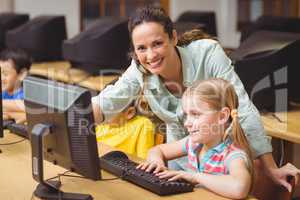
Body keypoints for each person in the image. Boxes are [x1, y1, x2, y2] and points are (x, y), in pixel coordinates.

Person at [92, 6, 300, 191]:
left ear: (173, 38)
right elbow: (106, 103)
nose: (150, 55)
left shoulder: (207, 54)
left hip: (223, 160)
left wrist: (271, 167)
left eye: (157, 43)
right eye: (141, 48)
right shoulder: (139, 69)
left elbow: (243, 109)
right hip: (182, 159)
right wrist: (70, 113)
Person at [137, 78, 253, 199]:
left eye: (196, 114)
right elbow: (157, 150)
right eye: (187, 115)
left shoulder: (232, 154)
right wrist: (156, 162)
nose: (187, 123)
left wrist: (195, 177)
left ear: (222, 116)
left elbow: (239, 188)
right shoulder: (193, 143)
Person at [0, 48, 31, 123]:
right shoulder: (3, 92)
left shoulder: (24, 95)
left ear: (21, 74)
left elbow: (27, 108)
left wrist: (9, 114)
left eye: (5, 73)